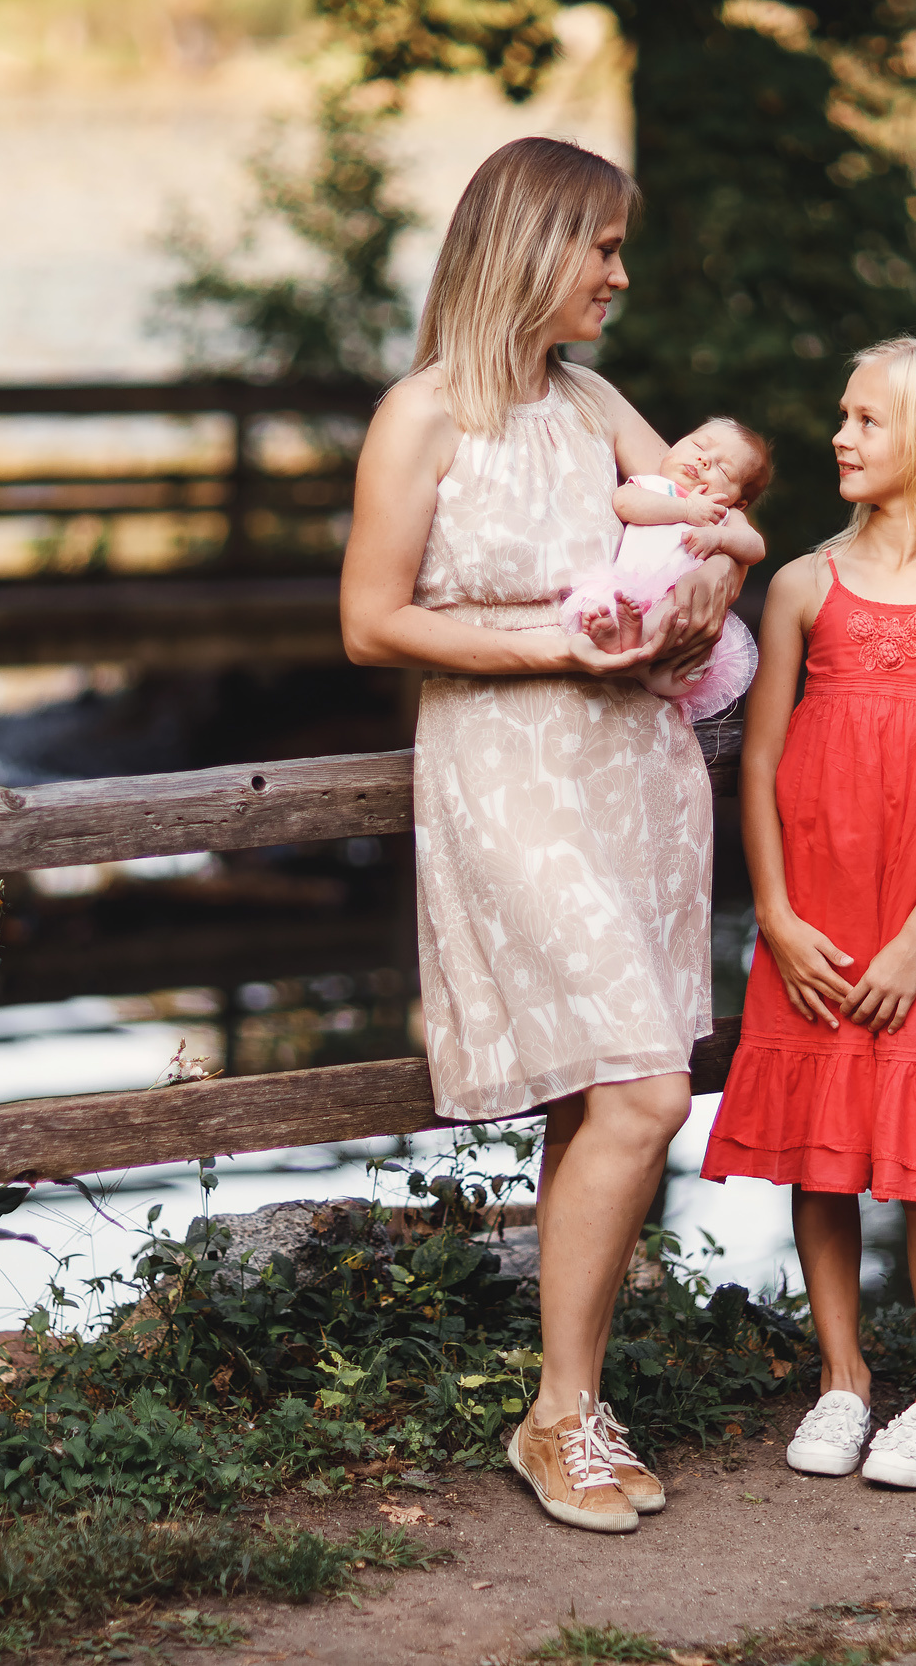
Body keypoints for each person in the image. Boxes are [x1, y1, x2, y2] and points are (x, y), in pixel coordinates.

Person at [340, 137, 761, 1534]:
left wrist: (702, 585)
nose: (620, 277)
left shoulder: (592, 404)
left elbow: (711, 519)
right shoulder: (424, 416)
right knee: (647, 1088)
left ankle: (574, 1397)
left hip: (638, 772)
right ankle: (558, 1415)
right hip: (510, 766)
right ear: (532, 245)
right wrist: (552, 651)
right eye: (603, 249)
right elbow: (372, 620)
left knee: (608, 1082)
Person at [700, 335, 916, 1491]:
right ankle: (841, 1379)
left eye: (867, 420)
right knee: (823, 1144)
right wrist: (776, 919)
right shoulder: (801, 585)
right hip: (817, 905)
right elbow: (757, 765)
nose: (839, 437)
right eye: (843, 415)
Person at [558, 417, 771, 719]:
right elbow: (624, 503)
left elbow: (755, 548)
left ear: (739, 502)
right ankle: (622, 639)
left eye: (723, 468)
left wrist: (719, 536)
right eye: (699, 445)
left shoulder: (724, 515)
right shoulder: (655, 486)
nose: (704, 460)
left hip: (675, 613)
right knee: (611, 613)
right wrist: (686, 509)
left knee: (678, 612)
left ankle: (644, 655)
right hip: (629, 592)